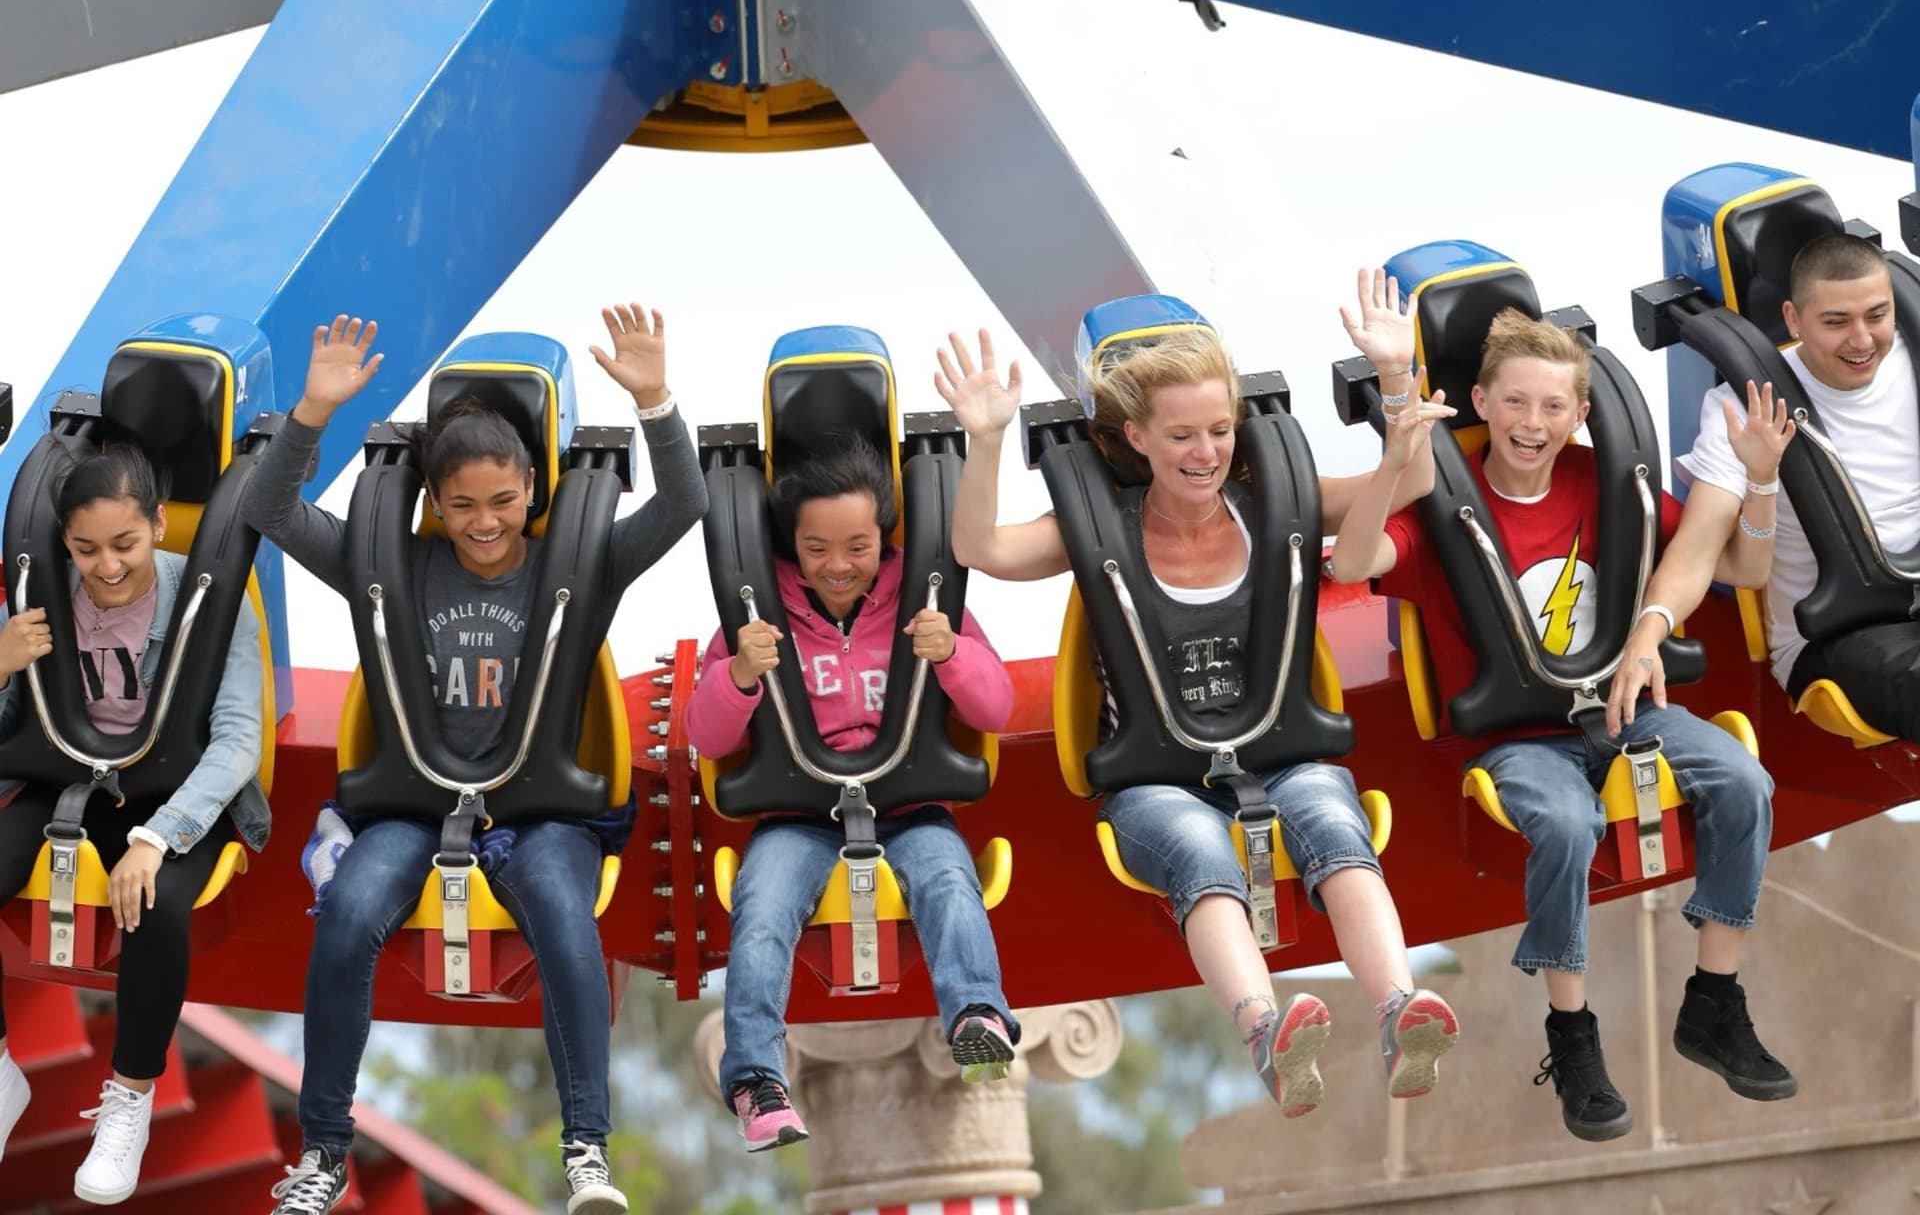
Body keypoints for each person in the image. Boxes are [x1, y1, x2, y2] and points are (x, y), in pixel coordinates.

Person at [934, 271, 1459, 1118]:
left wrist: (1397, 380)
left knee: (1329, 815)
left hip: (1282, 756)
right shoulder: (1099, 525)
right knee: (1199, 847)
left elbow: (1411, 485)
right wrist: (988, 440)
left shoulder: (1270, 504)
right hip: (1154, 784)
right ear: (1136, 434)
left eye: (1219, 429)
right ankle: (1265, 1031)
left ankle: (1401, 1010)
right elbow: (983, 547)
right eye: (1181, 435)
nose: (1205, 451)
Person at [242, 307, 705, 1215]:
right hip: (411, 807)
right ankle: (325, 1152)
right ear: (431, 503)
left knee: (569, 924)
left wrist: (655, 400)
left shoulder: (581, 563)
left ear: (532, 489)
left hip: (542, 814)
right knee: (347, 918)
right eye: (461, 505)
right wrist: (313, 411)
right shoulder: (394, 563)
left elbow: (684, 506)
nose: (484, 523)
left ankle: (586, 1150)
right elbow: (267, 509)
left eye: (502, 502)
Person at [1328, 305, 1798, 1142]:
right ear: (1479, 401)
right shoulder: (1445, 498)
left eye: (1552, 407)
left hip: (1627, 710)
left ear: (1582, 413)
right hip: (1517, 735)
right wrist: (1401, 447)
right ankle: (1572, 1036)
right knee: (1567, 822)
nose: (1531, 424)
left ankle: (1715, 1002)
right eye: (1513, 404)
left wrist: (1761, 480)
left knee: (1743, 779)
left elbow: (1742, 568)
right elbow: (1356, 562)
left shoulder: (1607, 483)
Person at [686, 435, 1017, 1152]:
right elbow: (705, 737)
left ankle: (977, 1018)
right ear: (791, 545)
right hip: (797, 816)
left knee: (948, 880)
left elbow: (996, 709)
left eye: (858, 547)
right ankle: (755, 1080)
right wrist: (740, 672)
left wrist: (951, 654)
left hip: (909, 806)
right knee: (762, 907)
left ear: (886, 536)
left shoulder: (926, 598)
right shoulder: (759, 610)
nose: (838, 567)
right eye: (816, 549)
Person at [0, 443, 269, 1203]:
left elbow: (239, 740)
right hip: (64, 786)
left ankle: (130, 1098)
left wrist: (159, 837)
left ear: (158, 523)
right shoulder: (41, 597)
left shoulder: (212, 600)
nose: (108, 567)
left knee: (153, 904)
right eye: (85, 550)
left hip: (172, 799)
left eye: (125, 544)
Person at [1673, 233, 1920, 739]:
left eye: (1877, 316)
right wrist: (1652, 628)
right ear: (1792, 319)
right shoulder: (1742, 409)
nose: (1862, 340)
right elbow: (1697, 548)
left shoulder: (1909, 354)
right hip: (1837, 636)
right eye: (1835, 322)